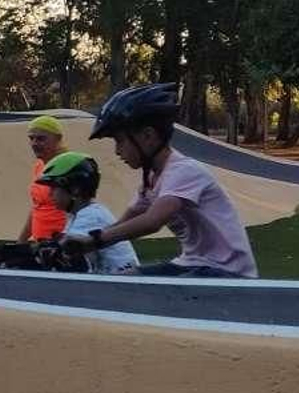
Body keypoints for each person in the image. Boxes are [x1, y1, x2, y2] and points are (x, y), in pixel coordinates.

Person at [65, 83, 257, 278]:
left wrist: (93, 241)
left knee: (161, 295)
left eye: (120, 140)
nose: (117, 150)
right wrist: (80, 241)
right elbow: (124, 223)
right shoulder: (152, 180)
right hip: (192, 264)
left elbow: (152, 222)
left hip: (228, 272)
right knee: (126, 280)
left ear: (148, 136)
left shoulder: (184, 171)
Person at [34, 153, 138, 274]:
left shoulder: (90, 216)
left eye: (54, 188)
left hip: (119, 285)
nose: (49, 194)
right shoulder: (79, 213)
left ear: (75, 189)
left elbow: (71, 259)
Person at [19, 115, 68, 243]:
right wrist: (20, 242)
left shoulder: (68, 166)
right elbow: (36, 207)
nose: (34, 143)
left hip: (60, 244)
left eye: (41, 139)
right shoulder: (39, 166)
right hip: (39, 243)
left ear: (58, 139)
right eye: (31, 138)